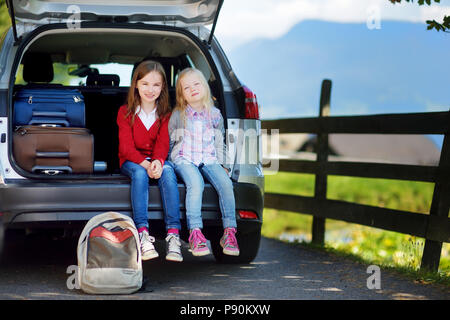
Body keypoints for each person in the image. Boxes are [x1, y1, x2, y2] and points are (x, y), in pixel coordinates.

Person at [168, 67, 240, 257]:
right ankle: (195, 233)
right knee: (196, 183)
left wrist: (224, 165)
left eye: (196, 84)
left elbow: (219, 142)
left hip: (209, 158)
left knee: (226, 184)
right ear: (182, 95)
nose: (192, 89)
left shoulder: (215, 115)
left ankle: (229, 232)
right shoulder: (178, 114)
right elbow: (169, 140)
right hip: (184, 158)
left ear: (205, 87)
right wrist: (167, 162)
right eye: (186, 87)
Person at [117, 60, 182, 262]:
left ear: (163, 87)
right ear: (135, 84)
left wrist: (158, 162)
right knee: (138, 173)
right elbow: (126, 148)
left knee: (169, 172)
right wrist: (145, 165)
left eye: (156, 85)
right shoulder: (125, 112)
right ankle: (143, 233)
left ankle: (173, 234)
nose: (150, 89)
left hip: (155, 160)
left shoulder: (165, 114)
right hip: (131, 160)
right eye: (145, 83)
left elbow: (163, 144)